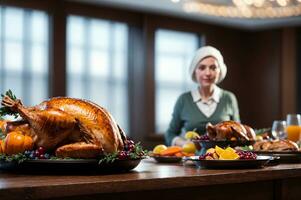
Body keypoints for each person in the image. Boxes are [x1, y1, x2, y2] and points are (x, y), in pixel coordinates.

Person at [165, 46, 240, 146]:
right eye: (202, 67)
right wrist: (184, 144)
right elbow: (170, 134)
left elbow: (239, 133)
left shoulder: (229, 98)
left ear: (220, 70)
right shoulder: (183, 100)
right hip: (191, 160)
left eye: (213, 67)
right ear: (194, 71)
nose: (208, 73)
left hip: (223, 159)